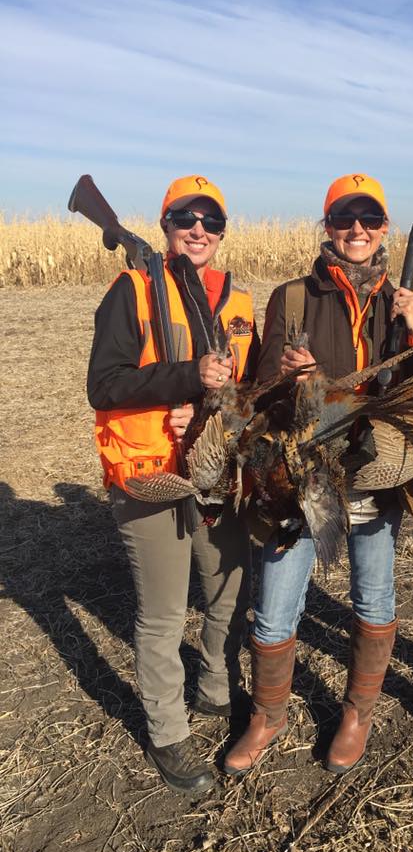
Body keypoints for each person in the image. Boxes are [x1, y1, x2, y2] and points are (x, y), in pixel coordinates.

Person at [224, 172, 413, 776]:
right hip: (299, 475)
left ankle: (357, 712)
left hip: (373, 476)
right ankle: (268, 714)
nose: (357, 231)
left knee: (373, 595)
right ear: (328, 227)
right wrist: (292, 375)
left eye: (369, 219)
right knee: (278, 602)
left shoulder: (403, 301)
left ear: (386, 228)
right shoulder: (293, 298)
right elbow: (259, 392)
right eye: (344, 219)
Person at [87, 175, 260, 794]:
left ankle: (215, 688)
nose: (198, 229)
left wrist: (213, 412)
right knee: (161, 615)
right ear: (164, 226)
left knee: (227, 585)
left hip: (215, 471)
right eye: (185, 217)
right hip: (150, 475)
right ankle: (167, 732)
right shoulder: (132, 290)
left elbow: (249, 394)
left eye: (211, 220)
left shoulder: (239, 304)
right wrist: (182, 379)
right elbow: (103, 385)